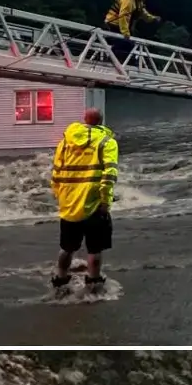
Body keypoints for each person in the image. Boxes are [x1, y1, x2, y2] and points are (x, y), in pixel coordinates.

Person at [49, 108, 118, 291]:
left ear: (84, 120)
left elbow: (56, 171)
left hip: (69, 203)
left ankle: (60, 279)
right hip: (94, 203)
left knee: (67, 247)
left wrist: (60, 195)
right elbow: (109, 175)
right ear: (101, 122)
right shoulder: (107, 142)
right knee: (95, 249)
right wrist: (105, 201)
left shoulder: (65, 142)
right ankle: (93, 282)